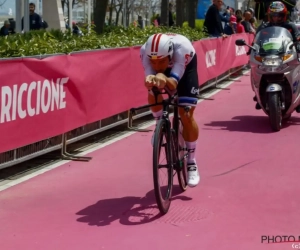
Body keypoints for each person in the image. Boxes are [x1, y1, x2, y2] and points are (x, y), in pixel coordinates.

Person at [140, 33, 200, 187]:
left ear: (169, 54)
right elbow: (151, 75)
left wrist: (162, 76)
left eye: (160, 61)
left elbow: (173, 84)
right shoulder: (145, 52)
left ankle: (191, 161)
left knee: (185, 114)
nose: (157, 65)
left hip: (185, 71)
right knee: (152, 90)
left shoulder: (182, 49)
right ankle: (159, 123)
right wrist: (150, 80)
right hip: (166, 71)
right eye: (153, 62)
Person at [253, 1, 300, 109]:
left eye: (279, 15)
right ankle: (258, 93)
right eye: (274, 15)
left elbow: (297, 37)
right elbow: (256, 40)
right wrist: (252, 47)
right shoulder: (264, 27)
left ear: (284, 16)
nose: (276, 18)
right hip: (268, 56)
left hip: (287, 55)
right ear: (269, 16)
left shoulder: (290, 25)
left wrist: (298, 44)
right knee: (255, 68)